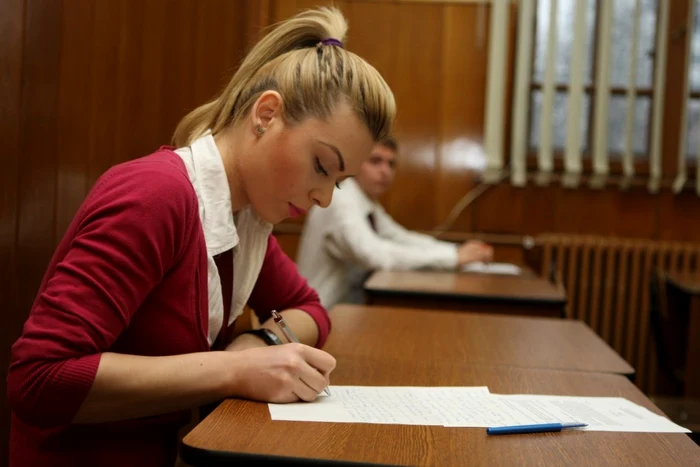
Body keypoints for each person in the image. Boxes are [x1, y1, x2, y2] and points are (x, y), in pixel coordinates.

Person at [7, 7, 395, 466]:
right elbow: (38, 379)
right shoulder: (157, 196)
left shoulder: (246, 216)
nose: (325, 198)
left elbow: (310, 309)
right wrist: (234, 370)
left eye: (339, 181)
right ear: (266, 114)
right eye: (320, 167)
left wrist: (259, 345)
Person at [297, 137, 493, 309]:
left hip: (348, 310)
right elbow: (376, 256)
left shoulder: (365, 201)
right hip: (321, 313)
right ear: (355, 164)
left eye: (391, 164)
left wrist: (458, 252)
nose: (385, 171)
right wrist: (453, 257)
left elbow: (400, 237)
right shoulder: (341, 200)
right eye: (376, 161)